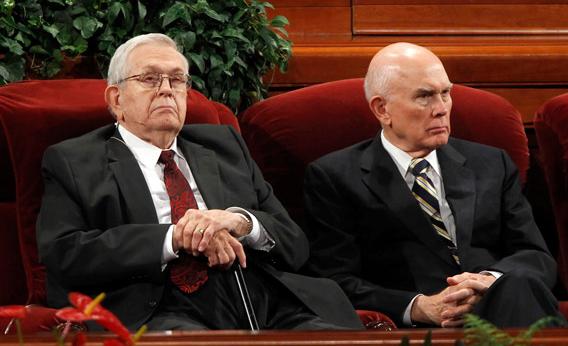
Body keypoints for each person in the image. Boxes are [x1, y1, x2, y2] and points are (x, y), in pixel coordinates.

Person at [36, 33, 363, 331]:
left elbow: (295, 242)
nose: (167, 89)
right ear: (116, 99)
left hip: (264, 298)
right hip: (162, 306)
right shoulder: (75, 160)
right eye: (150, 79)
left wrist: (241, 221)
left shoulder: (223, 146)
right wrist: (173, 238)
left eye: (177, 80)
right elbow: (65, 253)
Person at [303, 42, 563, 328]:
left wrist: (488, 282)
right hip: (419, 326)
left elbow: (536, 256)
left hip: (504, 309)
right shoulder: (336, 176)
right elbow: (334, 280)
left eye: (446, 93)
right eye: (425, 96)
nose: (441, 109)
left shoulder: (491, 163)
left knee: (521, 285)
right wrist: (418, 307)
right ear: (382, 109)